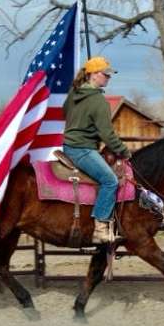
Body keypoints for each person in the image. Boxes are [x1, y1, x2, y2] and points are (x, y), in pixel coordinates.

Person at [62, 56, 132, 244]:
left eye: (109, 75)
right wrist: (124, 151)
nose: (108, 78)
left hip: (68, 146)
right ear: (93, 75)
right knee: (110, 181)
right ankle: (100, 229)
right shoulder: (99, 101)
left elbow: (64, 112)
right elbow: (107, 134)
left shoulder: (74, 93)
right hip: (83, 149)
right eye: (105, 74)